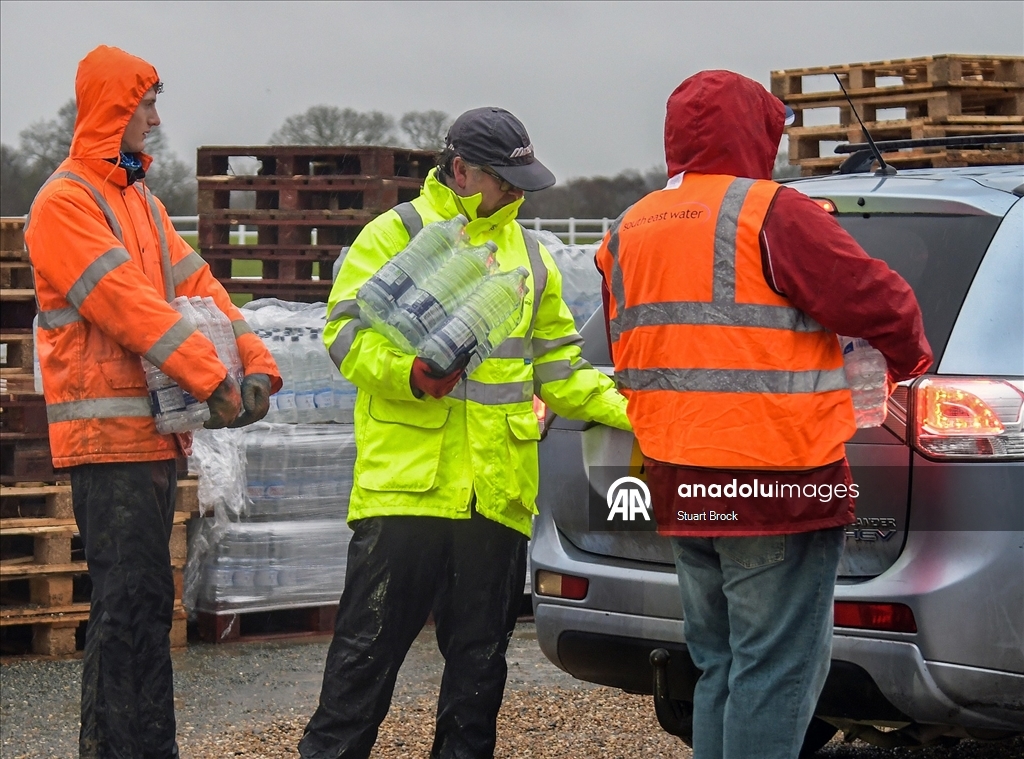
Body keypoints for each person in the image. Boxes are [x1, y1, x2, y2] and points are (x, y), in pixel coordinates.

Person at [595, 71, 932, 759]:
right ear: (757, 133)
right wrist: (908, 362)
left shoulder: (628, 229)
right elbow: (881, 303)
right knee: (775, 672)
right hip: (775, 481)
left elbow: (636, 346)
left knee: (720, 665)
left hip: (680, 477)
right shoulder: (770, 212)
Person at [301, 107, 631, 759]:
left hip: (495, 497)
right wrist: (411, 374)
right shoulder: (394, 234)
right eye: (506, 180)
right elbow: (342, 335)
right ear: (460, 170)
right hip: (407, 493)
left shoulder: (533, 259)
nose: (517, 194)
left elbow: (560, 371)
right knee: (361, 669)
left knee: (478, 678)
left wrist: (641, 413)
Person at [25, 45, 281, 758]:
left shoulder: (138, 203)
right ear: (115, 108)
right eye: (147, 104)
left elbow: (200, 287)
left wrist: (256, 362)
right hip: (107, 447)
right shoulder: (66, 204)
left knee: (142, 609)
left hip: (150, 439)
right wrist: (215, 379)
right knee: (125, 609)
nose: (156, 118)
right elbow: (129, 305)